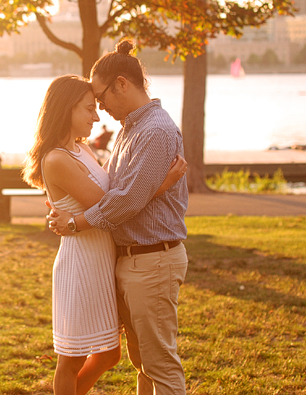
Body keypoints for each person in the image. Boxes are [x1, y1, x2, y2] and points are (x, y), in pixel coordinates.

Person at [23, 75, 186, 395]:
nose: (96, 117)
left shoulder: (82, 150)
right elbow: (109, 206)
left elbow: (115, 195)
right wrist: (162, 185)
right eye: (88, 109)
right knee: (72, 358)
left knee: (110, 354)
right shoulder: (57, 158)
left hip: (103, 258)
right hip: (82, 264)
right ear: (66, 110)